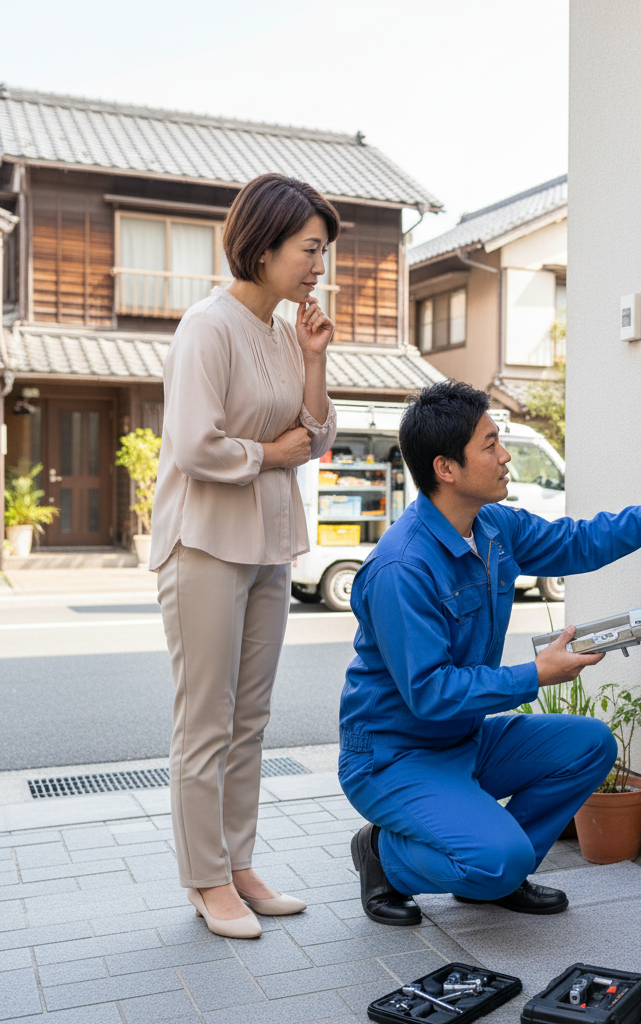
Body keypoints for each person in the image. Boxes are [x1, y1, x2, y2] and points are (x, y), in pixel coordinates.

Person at [338, 380, 641, 925]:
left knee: (590, 744)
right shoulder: (402, 568)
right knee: (499, 858)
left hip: (463, 739)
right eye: (490, 444)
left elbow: (577, 541)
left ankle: (493, 873)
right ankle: (384, 856)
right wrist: (537, 674)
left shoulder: (493, 527)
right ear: (446, 468)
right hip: (393, 755)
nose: (504, 457)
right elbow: (429, 693)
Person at [150, 173, 340, 938]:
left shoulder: (277, 332)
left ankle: (237, 863)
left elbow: (316, 438)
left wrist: (316, 360)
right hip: (203, 544)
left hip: (266, 544)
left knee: (251, 718)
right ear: (263, 247)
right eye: (309, 249)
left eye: (321, 251)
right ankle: (204, 881)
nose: (318, 266)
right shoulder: (208, 325)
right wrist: (270, 453)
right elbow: (195, 445)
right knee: (206, 720)